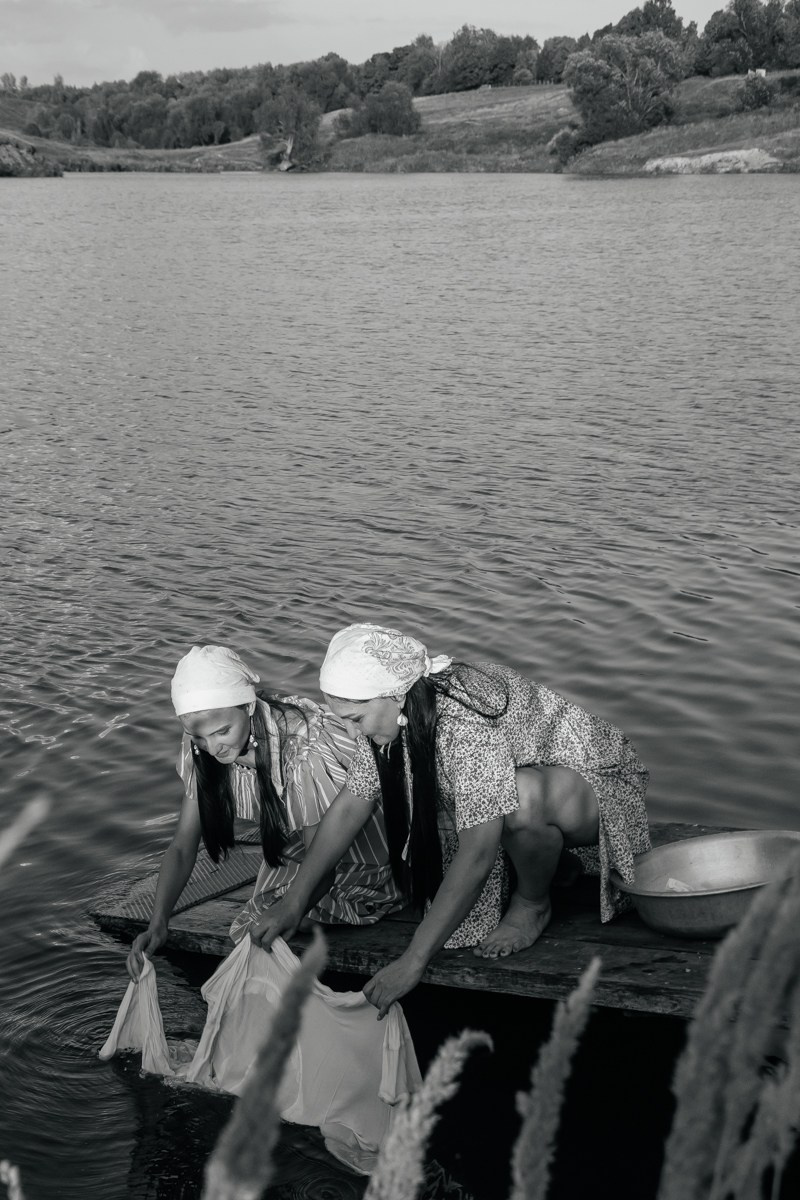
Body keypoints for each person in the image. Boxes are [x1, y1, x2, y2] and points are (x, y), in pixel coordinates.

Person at [250, 623, 651, 1017]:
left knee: (521, 798)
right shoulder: (398, 715)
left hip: (599, 786)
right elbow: (350, 806)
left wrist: (413, 960)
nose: (353, 734)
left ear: (396, 696)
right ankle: (552, 861)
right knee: (502, 803)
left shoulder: (464, 726)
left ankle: (533, 902)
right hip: (548, 784)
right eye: (344, 721)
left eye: (356, 719)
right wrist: (293, 902)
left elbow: (477, 853)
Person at [126, 644, 403, 980]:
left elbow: (325, 861)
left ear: (248, 706)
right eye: (198, 737)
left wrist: (290, 908)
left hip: (357, 847)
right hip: (304, 845)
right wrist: (158, 923)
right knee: (262, 922)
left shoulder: (304, 749)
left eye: (222, 732)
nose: (213, 748)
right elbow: (183, 846)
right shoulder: (202, 744)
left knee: (286, 922)